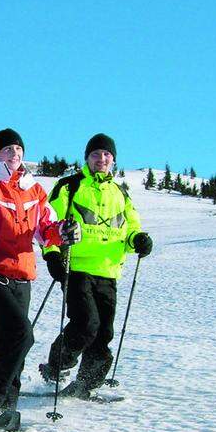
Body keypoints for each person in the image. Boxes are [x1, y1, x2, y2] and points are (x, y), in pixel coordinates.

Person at [0, 128, 81, 424]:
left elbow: (45, 228)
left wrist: (62, 232)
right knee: (21, 334)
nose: (15, 153)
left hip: (23, 275)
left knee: (12, 341)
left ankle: (6, 408)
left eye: (18, 148)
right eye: (8, 149)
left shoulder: (33, 189)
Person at [38, 133, 153, 397]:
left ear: (113, 160)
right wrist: (53, 255)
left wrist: (139, 240)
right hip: (77, 268)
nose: (101, 159)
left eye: (106, 155)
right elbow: (49, 224)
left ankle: (87, 384)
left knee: (104, 332)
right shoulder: (70, 186)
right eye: (95, 154)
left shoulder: (120, 193)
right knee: (86, 323)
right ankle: (57, 366)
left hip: (109, 270)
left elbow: (130, 229)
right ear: (87, 158)